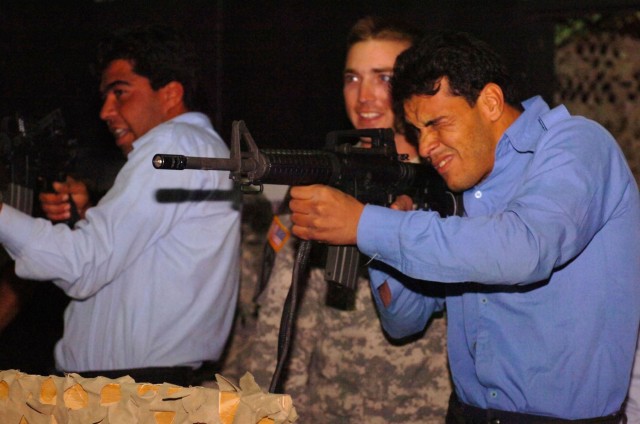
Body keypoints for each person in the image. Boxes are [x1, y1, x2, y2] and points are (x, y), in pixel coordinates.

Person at [288, 31, 640, 421]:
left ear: (490, 102)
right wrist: (380, 222)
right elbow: (404, 320)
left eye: (438, 123)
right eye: (418, 131)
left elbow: (524, 250)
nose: (425, 147)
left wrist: (367, 225)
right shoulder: (462, 183)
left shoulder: (576, 144)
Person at [0, 24, 241, 387]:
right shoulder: (199, 149)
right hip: (134, 391)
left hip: (133, 395)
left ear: (171, 93)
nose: (105, 111)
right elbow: (132, 264)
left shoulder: (174, 145)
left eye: (120, 92)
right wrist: (84, 217)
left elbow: (81, 264)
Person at [243, 17, 452, 422]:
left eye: (384, 78)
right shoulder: (325, 180)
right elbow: (282, 320)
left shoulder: (450, 182)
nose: (365, 97)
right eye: (352, 78)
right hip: (326, 410)